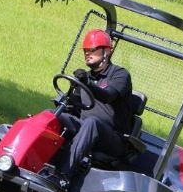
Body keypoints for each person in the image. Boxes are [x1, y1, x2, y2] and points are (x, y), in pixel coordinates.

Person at [55, 28, 133, 182]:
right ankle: (24, 162)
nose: (87, 53)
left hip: (112, 138)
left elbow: (108, 95)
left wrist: (87, 83)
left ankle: (63, 177)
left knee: (92, 123)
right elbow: (73, 105)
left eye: (92, 49)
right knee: (52, 115)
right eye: (85, 50)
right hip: (85, 127)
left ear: (107, 52)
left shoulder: (120, 74)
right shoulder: (85, 78)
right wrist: (64, 104)